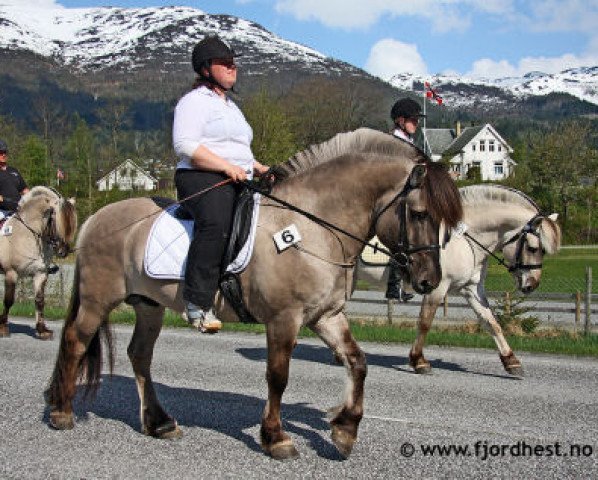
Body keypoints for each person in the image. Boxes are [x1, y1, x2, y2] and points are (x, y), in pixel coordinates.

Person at [173, 35, 269, 334]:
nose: (232, 68)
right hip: (200, 177)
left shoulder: (231, 108)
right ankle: (197, 302)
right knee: (217, 224)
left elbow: (238, 149)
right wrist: (227, 167)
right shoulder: (193, 102)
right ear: (205, 69)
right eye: (224, 63)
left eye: (233, 63)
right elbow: (185, 145)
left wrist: (260, 167)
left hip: (237, 176)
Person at [386, 98, 426, 302]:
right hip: (393, 195)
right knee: (401, 236)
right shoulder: (394, 143)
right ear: (401, 121)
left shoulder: (408, 142)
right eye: (413, 120)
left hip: (406, 193)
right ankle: (394, 286)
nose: (416, 124)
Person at [0, 139, 29, 221]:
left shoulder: (14, 171)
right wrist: (6, 200)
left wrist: (33, 197)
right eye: (1, 153)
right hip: (2, 212)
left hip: (19, 210)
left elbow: (24, 190)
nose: (3, 155)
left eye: (5, 152)